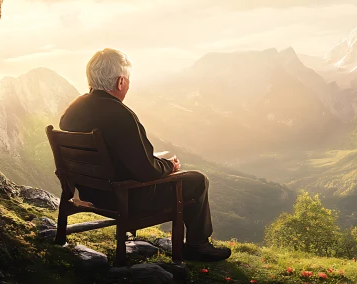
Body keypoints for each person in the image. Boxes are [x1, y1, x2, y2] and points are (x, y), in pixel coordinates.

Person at [59, 48, 231, 262]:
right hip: (123, 197)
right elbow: (147, 171)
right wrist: (169, 165)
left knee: (174, 170)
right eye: (128, 80)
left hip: (90, 192)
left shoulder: (75, 108)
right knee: (197, 180)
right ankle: (197, 245)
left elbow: (112, 152)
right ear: (120, 82)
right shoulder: (120, 115)